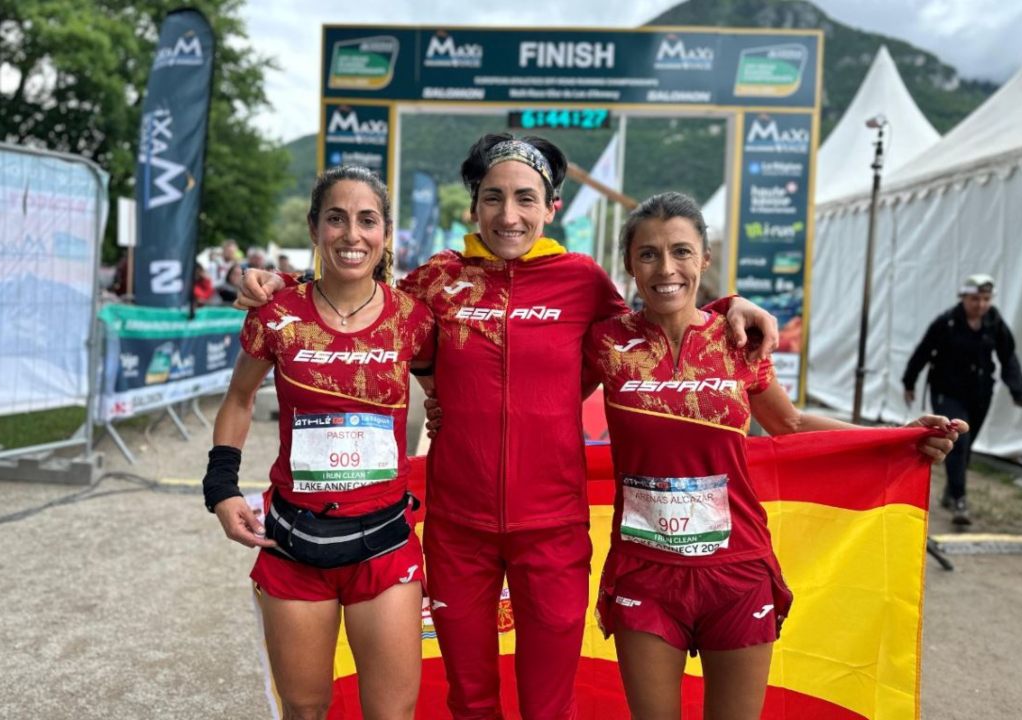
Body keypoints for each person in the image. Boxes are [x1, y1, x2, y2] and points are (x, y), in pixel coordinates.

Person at [238, 135, 778, 720]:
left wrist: (730, 304)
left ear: (551, 209)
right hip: (458, 528)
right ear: (474, 206)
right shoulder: (440, 279)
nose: (508, 214)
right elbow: (365, 306)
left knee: (548, 706)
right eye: (493, 197)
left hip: (553, 530)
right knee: (470, 700)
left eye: (526, 198)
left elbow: (660, 316)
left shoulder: (582, 280)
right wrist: (278, 289)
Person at [584, 192, 965, 720]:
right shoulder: (603, 343)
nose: (665, 268)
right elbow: (540, 404)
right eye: (648, 254)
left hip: (737, 572)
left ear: (705, 259)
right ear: (629, 262)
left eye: (681, 252)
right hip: (645, 572)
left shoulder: (738, 339)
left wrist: (899, 437)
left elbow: (791, 424)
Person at [203, 165, 435, 720]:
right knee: (305, 709)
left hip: (384, 544)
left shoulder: (414, 320)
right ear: (314, 228)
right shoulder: (278, 315)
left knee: (391, 713)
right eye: (336, 219)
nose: (352, 235)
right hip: (294, 543)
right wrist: (221, 490)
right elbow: (238, 399)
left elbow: (448, 399)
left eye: (367, 220)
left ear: (385, 233)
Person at [902, 273, 1022, 525]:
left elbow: (1007, 355)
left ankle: (951, 490)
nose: (980, 305)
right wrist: (909, 381)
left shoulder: (994, 321)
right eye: (975, 299)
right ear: (964, 298)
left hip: (979, 394)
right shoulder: (947, 322)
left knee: (966, 445)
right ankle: (960, 499)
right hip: (947, 392)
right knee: (959, 439)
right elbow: (923, 351)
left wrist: (1017, 389)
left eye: (985, 299)